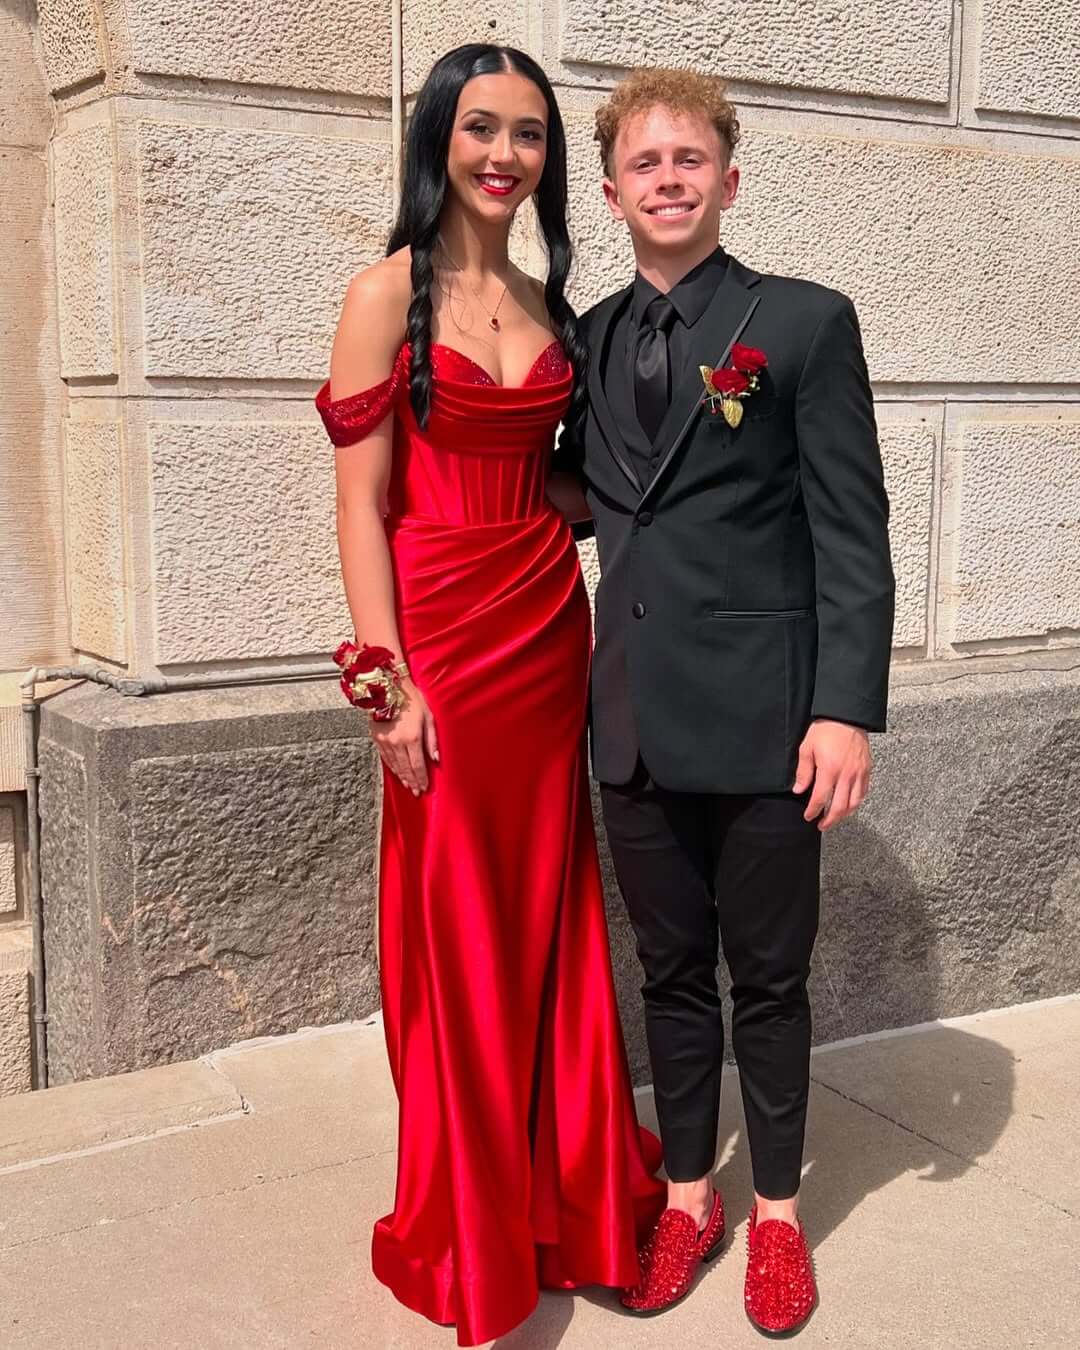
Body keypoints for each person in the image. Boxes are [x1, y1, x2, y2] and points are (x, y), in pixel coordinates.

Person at [314, 44, 664, 1348]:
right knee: (458, 924)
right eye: (480, 128)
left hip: (545, 630)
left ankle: (566, 1196)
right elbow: (360, 506)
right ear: (438, 140)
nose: (505, 154)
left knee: (549, 915)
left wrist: (682, 493)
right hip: (445, 646)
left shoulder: (545, 299)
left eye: (528, 132)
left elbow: (561, 484)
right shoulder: (384, 294)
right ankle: (473, 1227)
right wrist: (386, 685)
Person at [551, 68, 895, 1335]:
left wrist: (845, 709)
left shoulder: (799, 323)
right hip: (631, 721)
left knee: (771, 980)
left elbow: (852, 533)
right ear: (611, 194)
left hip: (768, 724)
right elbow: (574, 492)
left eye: (689, 159)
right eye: (645, 164)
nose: (669, 180)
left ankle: (781, 1217)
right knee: (671, 975)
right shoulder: (586, 339)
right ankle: (690, 1197)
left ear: (729, 180)